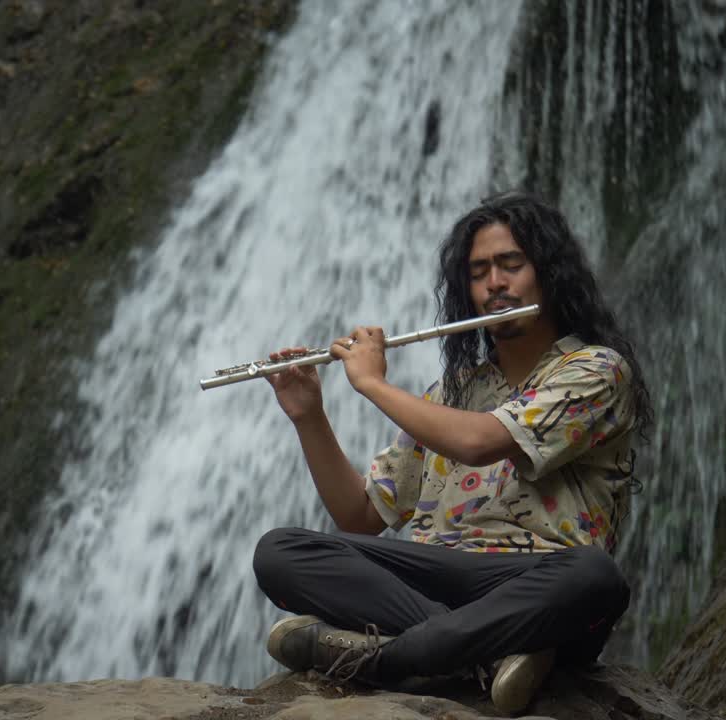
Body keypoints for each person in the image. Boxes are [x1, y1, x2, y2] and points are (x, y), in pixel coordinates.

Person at [251, 191, 652, 714]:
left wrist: (371, 384)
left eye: (512, 265)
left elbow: (480, 441)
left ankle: (381, 656)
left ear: (549, 275)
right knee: (280, 551)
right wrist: (309, 416)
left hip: (531, 584)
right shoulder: (452, 394)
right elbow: (361, 516)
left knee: (596, 578)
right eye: (480, 272)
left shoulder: (596, 371)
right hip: (436, 571)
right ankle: (486, 657)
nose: (496, 284)